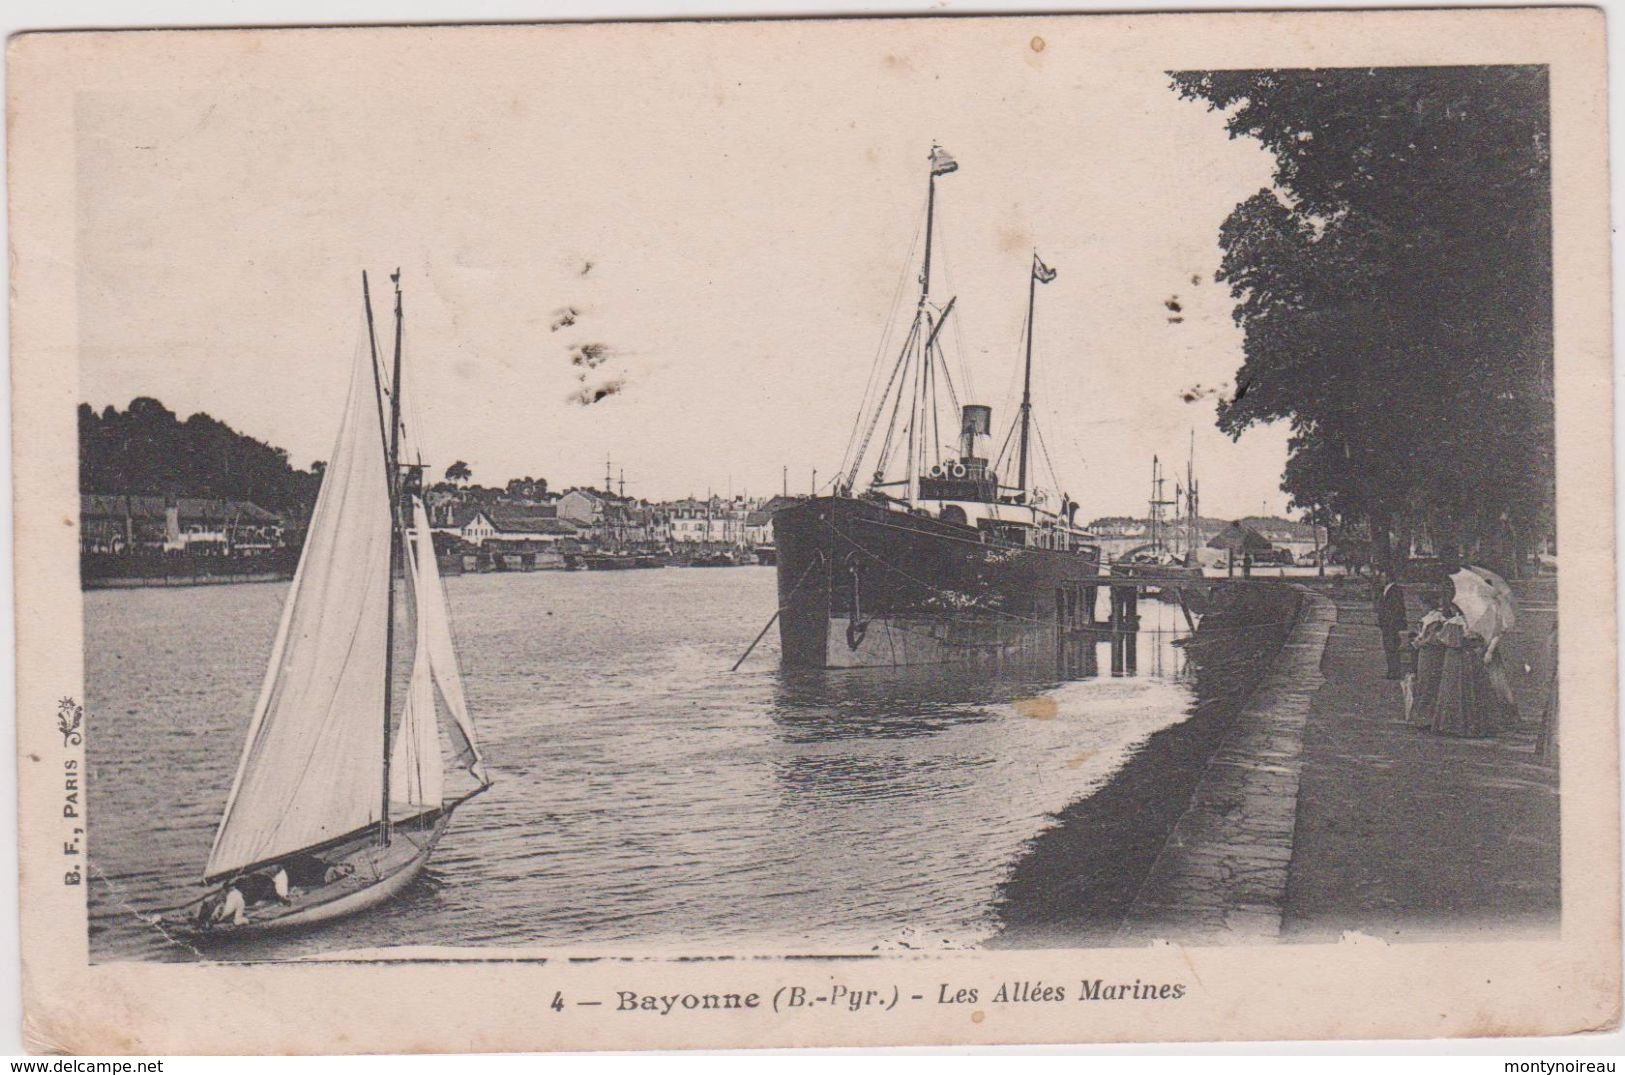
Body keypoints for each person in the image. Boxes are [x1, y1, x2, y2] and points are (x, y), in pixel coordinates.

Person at [1431, 604, 1494, 738]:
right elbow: (1480, 640)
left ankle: (1451, 724)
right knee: (1469, 688)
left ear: (1455, 609)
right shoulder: (1473, 622)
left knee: (1451, 688)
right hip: (1468, 657)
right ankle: (1471, 724)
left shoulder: (1453, 622)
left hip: (1453, 658)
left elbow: (1445, 640)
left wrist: (1437, 633)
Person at [1409, 588, 1448, 727]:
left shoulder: (1436, 619)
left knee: (1429, 683)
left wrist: (1420, 642)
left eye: (1421, 604)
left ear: (1426, 604)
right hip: (1426, 654)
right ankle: (1424, 716)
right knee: (1424, 682)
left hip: (1431, 655)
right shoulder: (1430, 618)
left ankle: (1427, 718)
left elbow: (1434, 639)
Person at [1375, 572, 1409, 679]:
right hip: (1387, 624)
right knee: (1388, 647)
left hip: (1392, 624)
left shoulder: (1394, 590)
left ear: (1388, 578)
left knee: (1392, 647)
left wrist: (1390, 622)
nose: (1380, 579)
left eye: (1382, 577)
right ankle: (1391, 670)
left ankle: (1394, 671)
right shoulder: (1386, 589)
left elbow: (1397, 609)